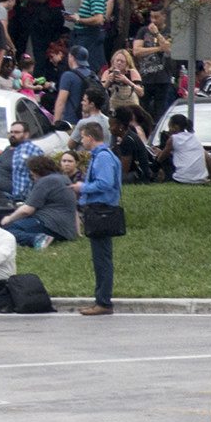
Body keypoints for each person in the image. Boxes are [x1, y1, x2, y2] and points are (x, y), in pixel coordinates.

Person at [75, 116, 124, 316]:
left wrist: (82, 187)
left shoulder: (103, 157)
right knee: (100, 258)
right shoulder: (100, 156)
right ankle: (101, 299)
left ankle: (103, 301)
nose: (81, 141)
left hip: (102, 211)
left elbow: (105, 183)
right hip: (98, 210)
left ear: (91, 137)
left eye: (83, 137)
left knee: (102, 259)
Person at [0, 153, 77, 247]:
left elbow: (27, 210)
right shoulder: (63, 178)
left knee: (6, 231)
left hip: (50, 224)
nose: (31, 175)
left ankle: (37, 239)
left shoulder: (45, 181)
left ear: (36, 171)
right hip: (66, 230)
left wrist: (9, 218)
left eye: (31, 172)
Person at [160, 114, 209, 184]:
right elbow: (209, 159)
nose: (169, 130)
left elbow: (163, 156)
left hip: (182, 179)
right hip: (201, 180)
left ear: (175, 127)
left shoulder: (173, 138)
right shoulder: (194, 138)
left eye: (170, 127)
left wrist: (158, 155)